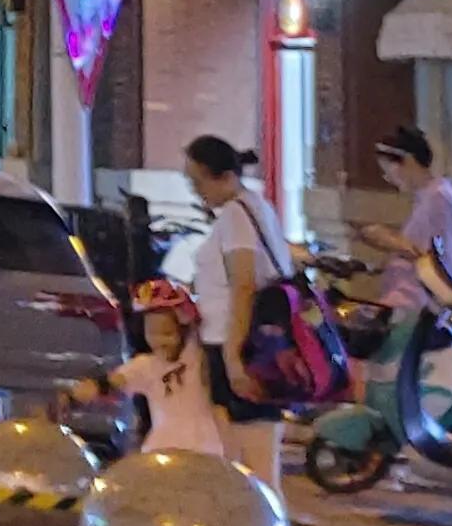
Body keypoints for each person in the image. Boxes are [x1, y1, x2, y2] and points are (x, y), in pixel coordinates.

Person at [180, 131, 296, 461]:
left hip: (239, 345)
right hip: (253, 343)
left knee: (248, 461)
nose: (196, 192)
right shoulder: (256, 208)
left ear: (226, 177)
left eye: (199, 182)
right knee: (247, 459)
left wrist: (233, 356)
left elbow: (243, 285)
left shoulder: (236, 215)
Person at [61, 275, 236, 462]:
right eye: (152, 333)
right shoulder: (147, 366)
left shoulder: (196, 356)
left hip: (204, 451)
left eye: (168, 333)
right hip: (162, 451)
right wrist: (76, 396)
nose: (159, 341)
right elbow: (115, 381)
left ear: (184, 329)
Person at [368, 119, 452, 321]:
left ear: (408, 161)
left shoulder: (439, 201)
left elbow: (436, 264)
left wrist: (390, 241)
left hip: (420, 312)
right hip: (412, 307)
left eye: (387, 169)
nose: (388, 178)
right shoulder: (429, 197)